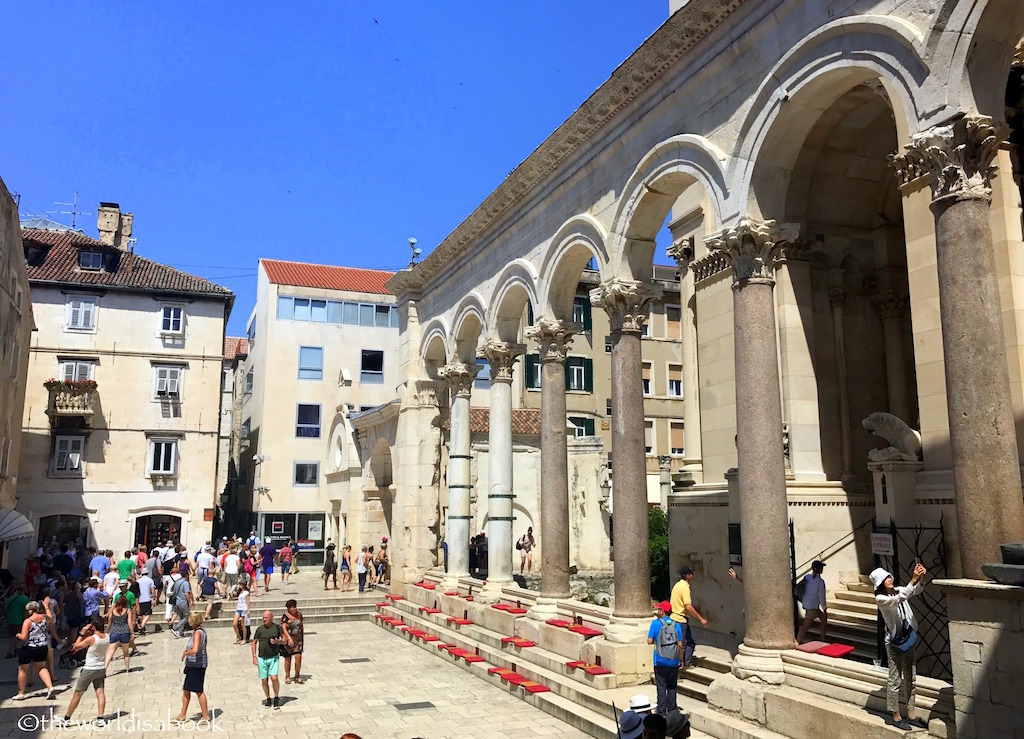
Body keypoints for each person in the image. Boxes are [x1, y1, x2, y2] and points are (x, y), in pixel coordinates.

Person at [872, 563, 929, 731]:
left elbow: (916, 590)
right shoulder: (881, 599)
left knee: (910, 675)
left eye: (889, 577)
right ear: (880, 583)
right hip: (894, 641)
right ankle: (896, 716)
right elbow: (901, 598)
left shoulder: (898, 589)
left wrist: (921, 577)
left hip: (907, 638)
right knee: (895, 678)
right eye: (886, 578)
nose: (889, 579)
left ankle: (911, 715)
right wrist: (913, 579)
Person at [58, 614, 109, 727]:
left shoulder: (92, 639)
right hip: (101, 668)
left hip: (89, 669)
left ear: (93, 626)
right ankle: (100, 718)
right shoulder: (107, 637)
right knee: (100, 692)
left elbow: (75, 647)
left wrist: (81, 633)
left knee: (77, 694)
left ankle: (67, 718)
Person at [647, 601, 684, 715]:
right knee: (672, 686)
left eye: (659, 609)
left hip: (660, 661)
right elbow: (680, 645)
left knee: (661, 687)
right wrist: (681, 660)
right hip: (674, 661)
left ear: (662, 611)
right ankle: (672, 710)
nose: (657, 611)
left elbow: (649, 641)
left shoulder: (655, 623)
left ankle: (661, 711)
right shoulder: (676, 625)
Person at [173, 612, 211, 723]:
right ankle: (182, 714)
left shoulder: (198, 633)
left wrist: (186, 653)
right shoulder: (199, 631)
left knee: (199, 690)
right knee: (186, 689)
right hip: (193, 665)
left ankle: (205, 716)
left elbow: (195, 650)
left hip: (197, 665)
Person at [15, 600, 55, 700]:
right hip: (42, 646)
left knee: (23, 669)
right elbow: (51, 618)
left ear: (29, 611)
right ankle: (50, 688)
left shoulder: (28, 621)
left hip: (29, 647)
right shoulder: (44, 618)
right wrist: (46, 606)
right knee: (41, 668)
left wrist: (18, 635)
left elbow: (24, 637)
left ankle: (21, 693)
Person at [669, 567, 706, 672]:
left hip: (674, 617)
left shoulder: (677, 585)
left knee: (687, 640)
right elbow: (688, 606)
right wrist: (701, 619)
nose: (693, 576)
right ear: (689, 576)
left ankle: (684, 662)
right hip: (681, 619)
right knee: (685, 642)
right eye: (692, 574)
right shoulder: (685, 588)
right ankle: (683, 664)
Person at [252, 609, 291, 709]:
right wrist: (254, 656)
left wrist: (277, 641)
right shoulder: (259, 629)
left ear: (271, 618)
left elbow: (284, 640)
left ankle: (276, 697)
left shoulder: (277, 628)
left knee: (274, 677)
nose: (264, 619)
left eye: (266, 617)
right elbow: (254, 642)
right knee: (264, 679)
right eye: (263, 617)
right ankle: (268, 698)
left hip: (273, 657)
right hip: (262, 658)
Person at [795, 560, 828, 644]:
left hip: (807, 604)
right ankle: (797, 643)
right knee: (805, 627)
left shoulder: (807, 577)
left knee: (823, 619)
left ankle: (823, 639)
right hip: (812, 607)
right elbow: (822, 597)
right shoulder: (820, 582)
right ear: (819, 569)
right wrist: (825, 609)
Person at [104, 594, 134, 673]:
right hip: (125, 632)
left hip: (114, 632)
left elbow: (109, 624)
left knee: (110, 653)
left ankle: (104, 670)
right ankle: (127, 668)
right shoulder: (128, 611)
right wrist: (132, 633)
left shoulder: (112, 612)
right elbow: (130, 623)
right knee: (126, 652)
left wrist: (106, 632)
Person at [281, 599, 304, 684]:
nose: (294, 609)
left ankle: (297, 675)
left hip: (298, 640)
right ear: (288, 608)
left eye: (295, 607)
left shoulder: (299, 615)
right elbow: (283, 628)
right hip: (289, 640)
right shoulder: (285, 616)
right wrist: (288, 638)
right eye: (292, 607)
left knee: (298, 657)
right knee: (288, 658)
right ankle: (287, 676)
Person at [5, 584, 28, 659]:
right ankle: (11, 651)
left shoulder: (11, 598)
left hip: (10, 619)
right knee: (16, 636)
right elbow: (25, 611)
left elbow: (6, 608)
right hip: (19, 620)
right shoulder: (25, 599)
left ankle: (13, 649)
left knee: (12, 636)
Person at [170, 571, 194, 638]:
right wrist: (189, 602)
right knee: (187, 616)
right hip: (183, 602)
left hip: (176, 602)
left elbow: (172, 590)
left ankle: (180, 632)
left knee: (181, 617)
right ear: (186, 575)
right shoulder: (185, 583)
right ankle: (176, 628)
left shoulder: (177, 582)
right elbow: (187, 593)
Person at [135, 567, 155, 635]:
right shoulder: (150, 580)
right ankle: (142, 625)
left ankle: (141, 626)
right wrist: (154, 598)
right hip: (147, 599)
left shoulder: (138, 581)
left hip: (139, 599)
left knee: (140, 614)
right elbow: (153, 590)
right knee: (148, 613)